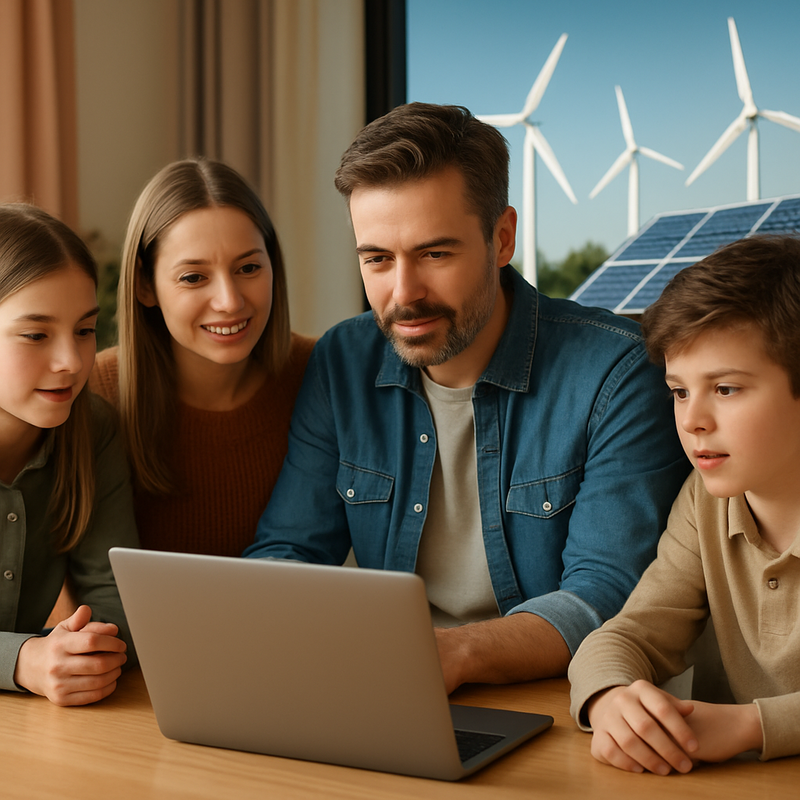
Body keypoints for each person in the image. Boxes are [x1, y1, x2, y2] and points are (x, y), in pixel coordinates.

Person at [244, 103, 688, 692]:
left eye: (435, 254)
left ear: (501, 239)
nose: (404, 294)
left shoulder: (617, 371)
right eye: (376, 259)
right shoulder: (341, 361)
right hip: (387, 686)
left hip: (558, 703)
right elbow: (289, 550)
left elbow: (603, 596)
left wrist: (450, 653)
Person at [568, 234, 800, 772]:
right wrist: (610, 699)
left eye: (725, 389)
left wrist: (752, 726)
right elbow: (630, 633)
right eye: (678, 391)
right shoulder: (705, 499)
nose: (692, 420)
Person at [89, 159, 315, 556]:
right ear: (145, 285)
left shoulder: (318, 373)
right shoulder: (91, 390)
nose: (229, 301)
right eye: (193, 277)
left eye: (248, 267)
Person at [0, 203, 139, 706]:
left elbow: (114, 598)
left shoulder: (92, 428)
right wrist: (20, 661)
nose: (70, 362)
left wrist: (86, 651)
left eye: (84, 330)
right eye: (36, 334)